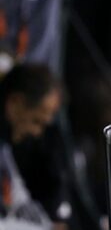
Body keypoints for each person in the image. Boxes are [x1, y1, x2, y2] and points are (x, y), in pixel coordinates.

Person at [0, 63, 62, 228]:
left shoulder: (4, 148)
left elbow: (19, 199)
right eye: (36, 121)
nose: (37, 133)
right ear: (15, 103)